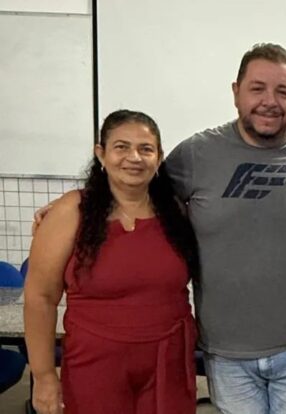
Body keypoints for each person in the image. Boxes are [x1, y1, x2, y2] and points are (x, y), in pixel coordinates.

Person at [165, 43, 286, 414]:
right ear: (236, 93)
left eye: (283, 91)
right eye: (257, 88)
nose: (270, 101)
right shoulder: (195, 155)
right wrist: (75, 204)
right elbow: (133, 194)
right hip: (226, 353)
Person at [24, 110, 200, 414]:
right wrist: (43, 375)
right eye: (121, 147)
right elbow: (40, 297)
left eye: (146, 149)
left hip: (169, 362)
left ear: (159, 158)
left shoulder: (176, 211)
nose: (134, 157)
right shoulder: (71, 211)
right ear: (101, 154)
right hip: (95, 365)